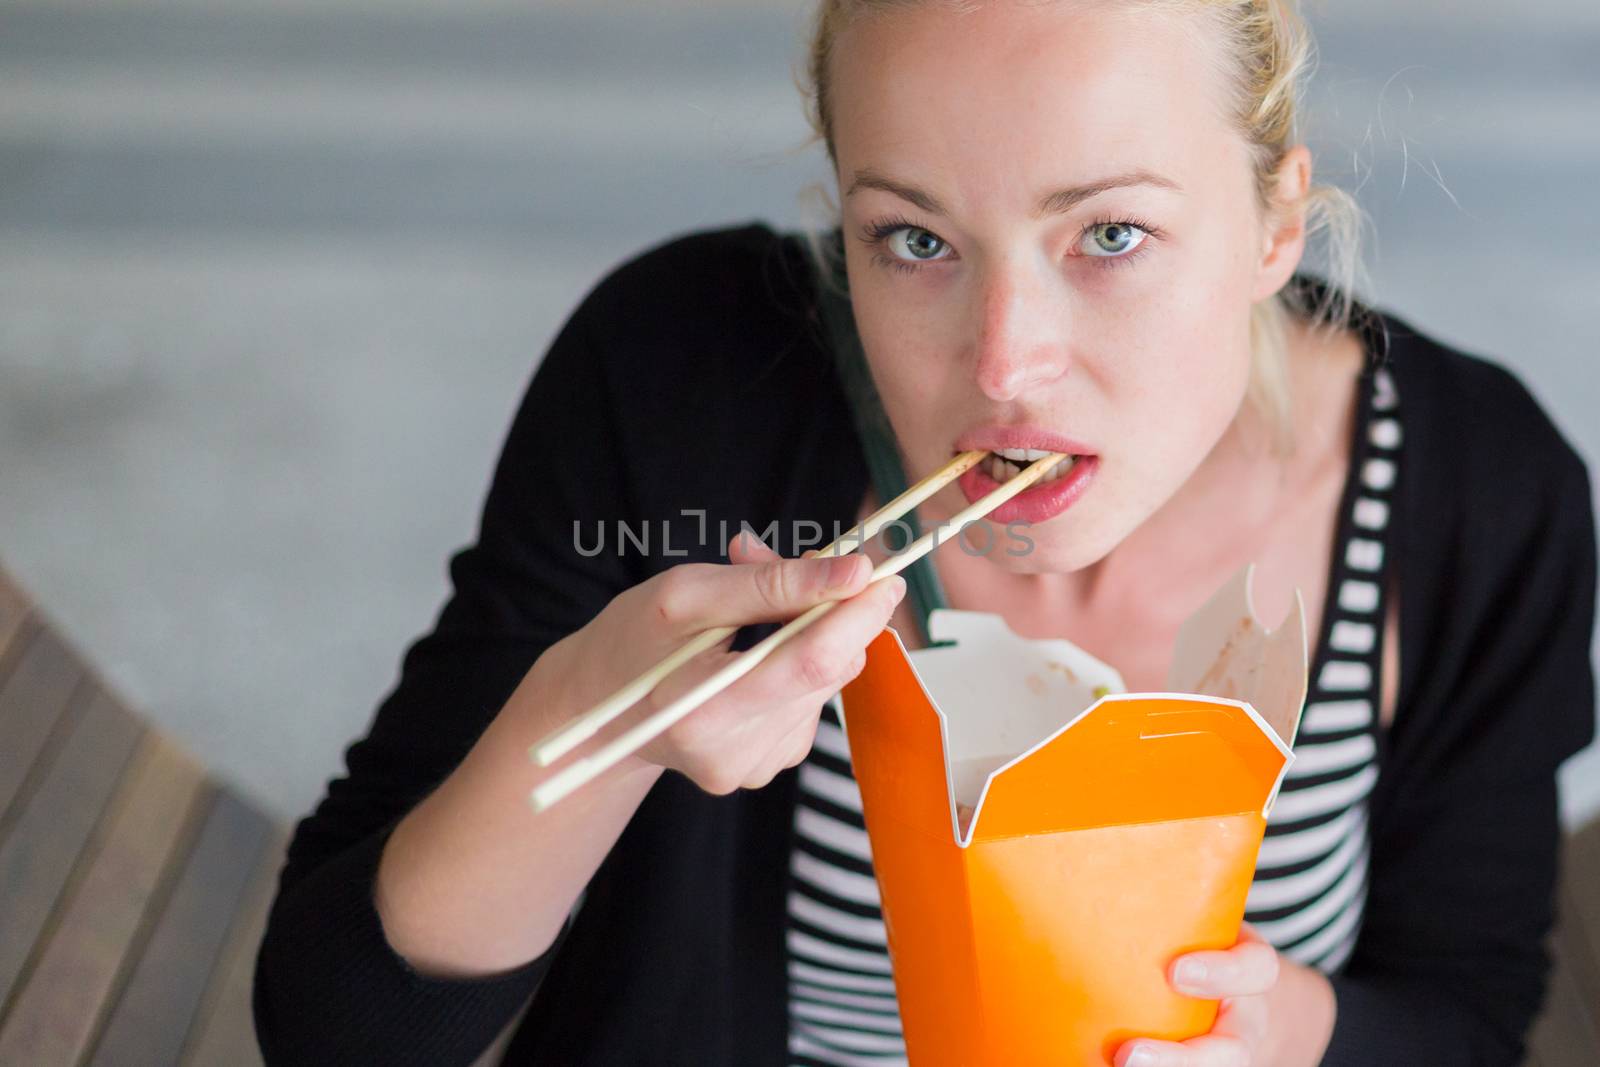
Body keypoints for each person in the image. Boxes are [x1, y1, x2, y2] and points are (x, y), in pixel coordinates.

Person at [252, 1, 1597, 1065]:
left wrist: (1291, 1034)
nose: (1004, 365)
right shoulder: (680, 382)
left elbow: (1466, 1015)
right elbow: (334, 1027)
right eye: (913, 240)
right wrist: (600, 723)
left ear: (1273, 223)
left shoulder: (1478, 495)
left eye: (1110, 232)